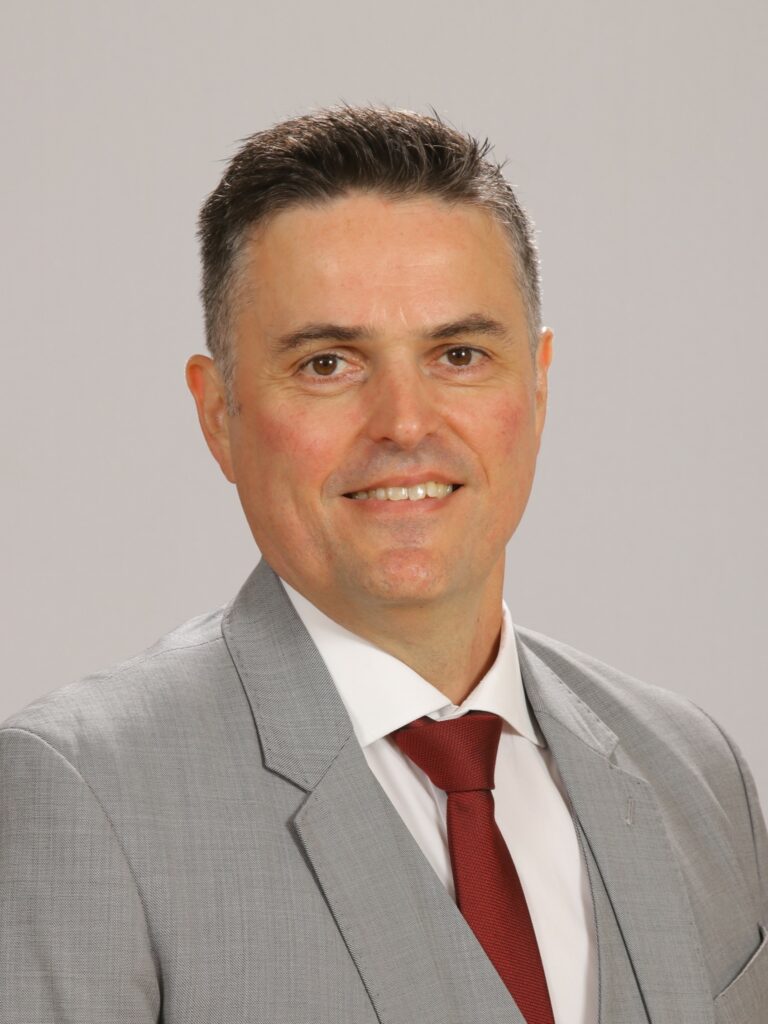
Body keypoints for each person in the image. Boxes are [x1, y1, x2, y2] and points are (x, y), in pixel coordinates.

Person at [1, 107, 766, 1024]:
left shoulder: (693, 769)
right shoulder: (86, 797)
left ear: (538, 384)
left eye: (459, 354)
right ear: (219, 415)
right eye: (328, 363)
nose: (405, 423)